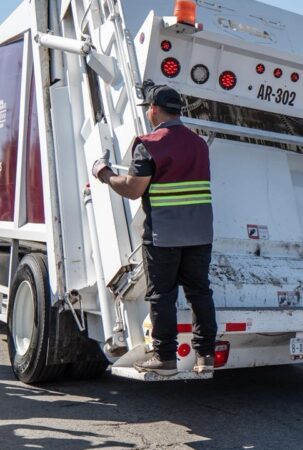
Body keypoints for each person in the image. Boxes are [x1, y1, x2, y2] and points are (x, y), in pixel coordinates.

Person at [92, 84, 217, 376]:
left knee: (162, 295)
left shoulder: (149, 144)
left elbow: (134, 190)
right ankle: (205, 356)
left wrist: (105, 174)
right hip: (200, 233)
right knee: (200, 293)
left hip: (165, 235)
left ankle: (165, 357)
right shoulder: (199, 144)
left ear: (154, 109)